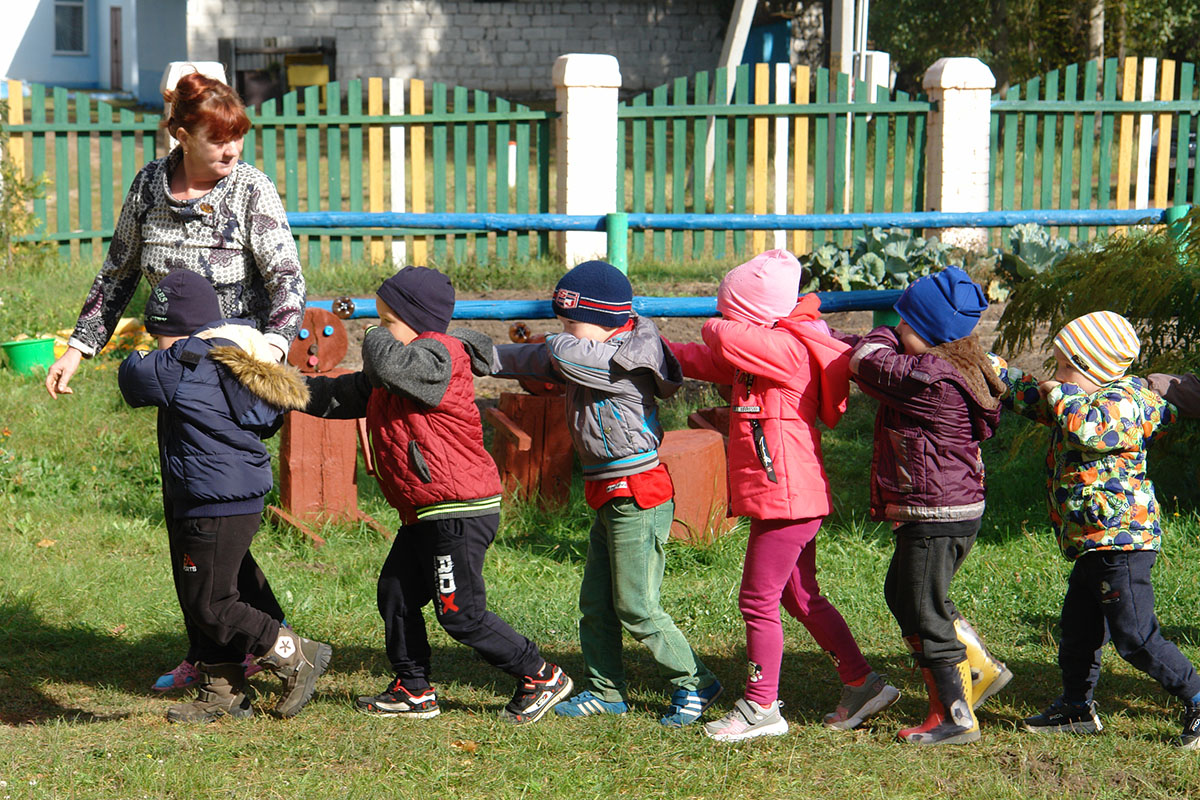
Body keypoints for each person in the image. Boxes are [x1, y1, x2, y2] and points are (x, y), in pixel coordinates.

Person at [44, 70, 307, 692]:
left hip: (233, 382)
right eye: (217, 140)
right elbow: (117, 275)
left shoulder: (251, 191)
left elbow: (287, 281)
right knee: (194, 525)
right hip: (174, 377)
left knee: (215, 520)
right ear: (180, 134)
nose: (231, 151)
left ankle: (248, 648)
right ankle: (225, 649)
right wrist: (78, 347)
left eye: (237, 138)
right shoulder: (148, 190)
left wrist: (270, 348)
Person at [300, 266, 572, 724]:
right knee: (397, 594)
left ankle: (540, 674)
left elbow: (386, 363)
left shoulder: (437, 356)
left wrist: (370, 332)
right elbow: (346, 393)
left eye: (388, 321)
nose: (380, 330)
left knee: (461, 614)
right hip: (427, 510)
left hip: (459, 510)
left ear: (416, 321)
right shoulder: (401, 365)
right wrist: (279, 389)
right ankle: (414, 688)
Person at [662, 249, 899, 742]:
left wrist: (725, 318)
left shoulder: (785, 350)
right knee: (799, 596)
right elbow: (707, 358)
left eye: (732, 308)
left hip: (787, 497)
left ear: (753, 315)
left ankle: (760, 706)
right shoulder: (765, 351)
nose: (723, 317)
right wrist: (647, 342)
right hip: (789, 494)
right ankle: (862, 683)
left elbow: (719, 336)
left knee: (757, 600)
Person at [493, 260, 722, 728]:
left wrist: (553, 341)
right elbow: (538, 358)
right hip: (608, 491)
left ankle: (695, 682)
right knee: (597, 603)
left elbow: (555, 354)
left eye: (569, 323)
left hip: (638, 494)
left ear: (604, 319)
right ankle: (606, 691)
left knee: (636, 604)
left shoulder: (619, 360)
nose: (562, 333)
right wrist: (482, 356)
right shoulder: (594, 345)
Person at [118, 270, 331, 722]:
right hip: (223, 497)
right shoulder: (233, 361)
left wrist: (167, 347)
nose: (156, 343)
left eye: (158, 333)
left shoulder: (185, 363)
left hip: (212, 501)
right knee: (209, 590)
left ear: (174, 330)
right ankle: (223, 692)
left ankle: (295, 653)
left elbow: (132, 378)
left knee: (210, 602)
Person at [1004, 312, 1200, 748]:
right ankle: (1076, 707)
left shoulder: (1124, 404)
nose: (1056, 377)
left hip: (1122, 542)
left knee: (1135, 635)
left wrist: (1061, 395)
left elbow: (1085, 429)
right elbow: (1041, 400)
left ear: (1095, 369)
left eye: (1064, 367)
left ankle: (1196, 696)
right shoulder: (1079, 398)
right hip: (1093, 542)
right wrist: (995, 372)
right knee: (1078, 630)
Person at [849, 266, 1012, 746]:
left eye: (904, 324)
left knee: (923, 610)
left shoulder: (927, 380)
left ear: (928, 333)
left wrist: (880, 333)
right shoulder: (954, 362)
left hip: (938, 514)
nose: (897, 331)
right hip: (949, 508)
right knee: (904, 593)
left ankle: (955, 716)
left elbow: (866, 360)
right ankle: (977, 668)